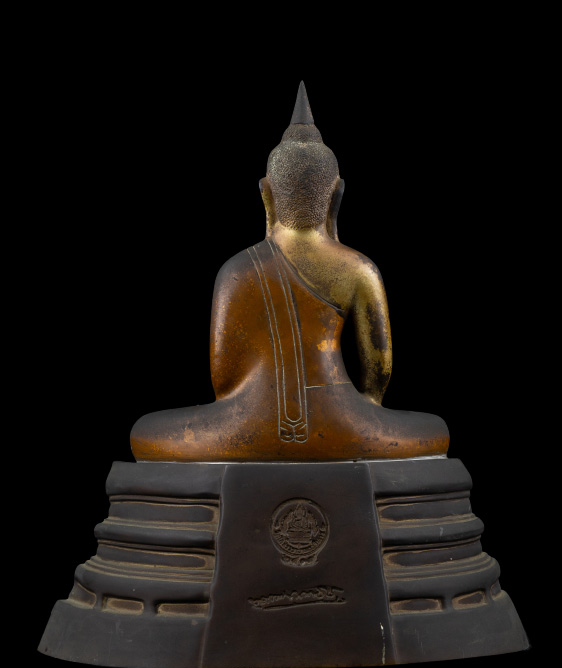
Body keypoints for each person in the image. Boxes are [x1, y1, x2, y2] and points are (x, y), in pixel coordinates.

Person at [131, 83, 449, 462]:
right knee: (436, 430)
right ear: (336, 195)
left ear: (266, 195)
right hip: (345, 427)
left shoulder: (235, 270)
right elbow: (377, 378)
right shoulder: (359, 269)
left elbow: (224, 383)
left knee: (145, 432)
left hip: (246, 428)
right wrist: (364, 413)